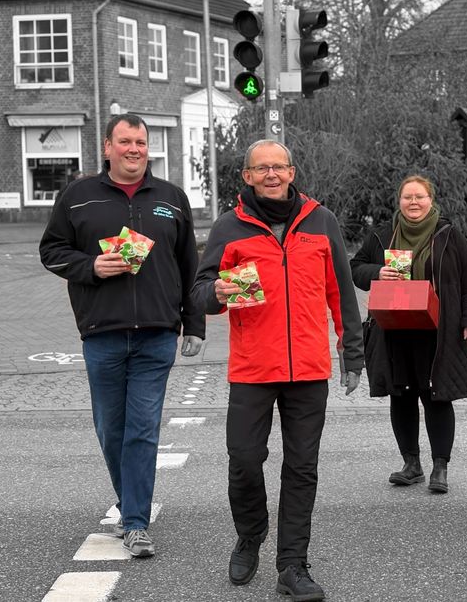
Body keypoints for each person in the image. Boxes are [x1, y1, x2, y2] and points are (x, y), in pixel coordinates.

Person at [192, 139, 363, 602]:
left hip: (308, 367)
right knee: (244, 460)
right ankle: (251, 534)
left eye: (279, 167)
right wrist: (216, 293)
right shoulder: (229, 226)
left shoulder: (320, 220)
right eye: (261, 168)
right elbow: (200, 289)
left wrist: (352, 352)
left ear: (291, 172)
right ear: (247, 176)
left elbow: (341, 290)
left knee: (302, 468)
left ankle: (292, 564)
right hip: (253, 367)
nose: (271, 174)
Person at [39, 113, 205, 558]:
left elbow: (189, 266)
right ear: (107, 147)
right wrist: (90, 266)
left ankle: (135, 522)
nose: (134, 149)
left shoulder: (171, 198)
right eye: (126, 141)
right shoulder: (78, 197)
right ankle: (131, 499)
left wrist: (194, 323)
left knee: (142, 429)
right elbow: (51, 251)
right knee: (111, 430)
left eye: (141, 142)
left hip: (157, 332)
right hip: (102, 332)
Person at [350, 175, 467, 494]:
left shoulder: (448, 235)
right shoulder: (383, 235)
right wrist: (376, 272)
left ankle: (440, 467)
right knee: (401, 395)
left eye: (420, 196)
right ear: (399, 201)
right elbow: (355, 268)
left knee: (437, 395)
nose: (413, 202)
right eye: (407, 197)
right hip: (394, 328)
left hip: (438, 330)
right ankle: (411, 464)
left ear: (431, 200)